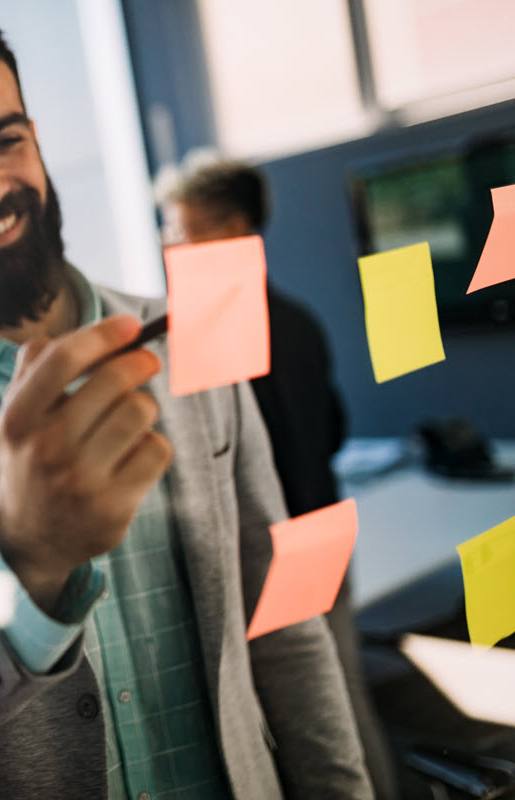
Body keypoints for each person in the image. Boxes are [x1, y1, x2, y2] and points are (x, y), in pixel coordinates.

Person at [0, 6, 372, 799]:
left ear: (38, 142)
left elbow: (283, 627)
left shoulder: (185, 332)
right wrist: (22, 548)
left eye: (5, 140)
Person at [167, 160, 399, 800]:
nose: (171, 249)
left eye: (184, 232)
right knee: (342, 695)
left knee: (304, 718)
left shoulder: (213, 333)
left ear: (236, 229)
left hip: (275, 550)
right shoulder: (298, 319)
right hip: (323, 527)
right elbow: (331, 431)